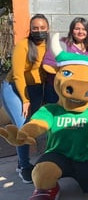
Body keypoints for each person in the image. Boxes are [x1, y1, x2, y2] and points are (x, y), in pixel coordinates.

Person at [0, 14, 50, 184]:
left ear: (47, 28)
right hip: (14, 88)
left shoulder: (49, 46)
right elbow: (19, 75)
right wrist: (25, 99)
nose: (39, 31)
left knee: (31, 125)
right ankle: (24, 166)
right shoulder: (23, 45)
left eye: (42, 28)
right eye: (35, 28)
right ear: (31, 29)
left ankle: (22, 161)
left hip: (36, 89)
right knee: (22, 126)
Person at [43, 17, 88, 103]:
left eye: (84, 29)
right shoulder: (62, 44)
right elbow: (48, 65)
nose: (81, 32)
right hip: (57, 91)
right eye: (77, 29)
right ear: (71, 30)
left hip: (79, 92)